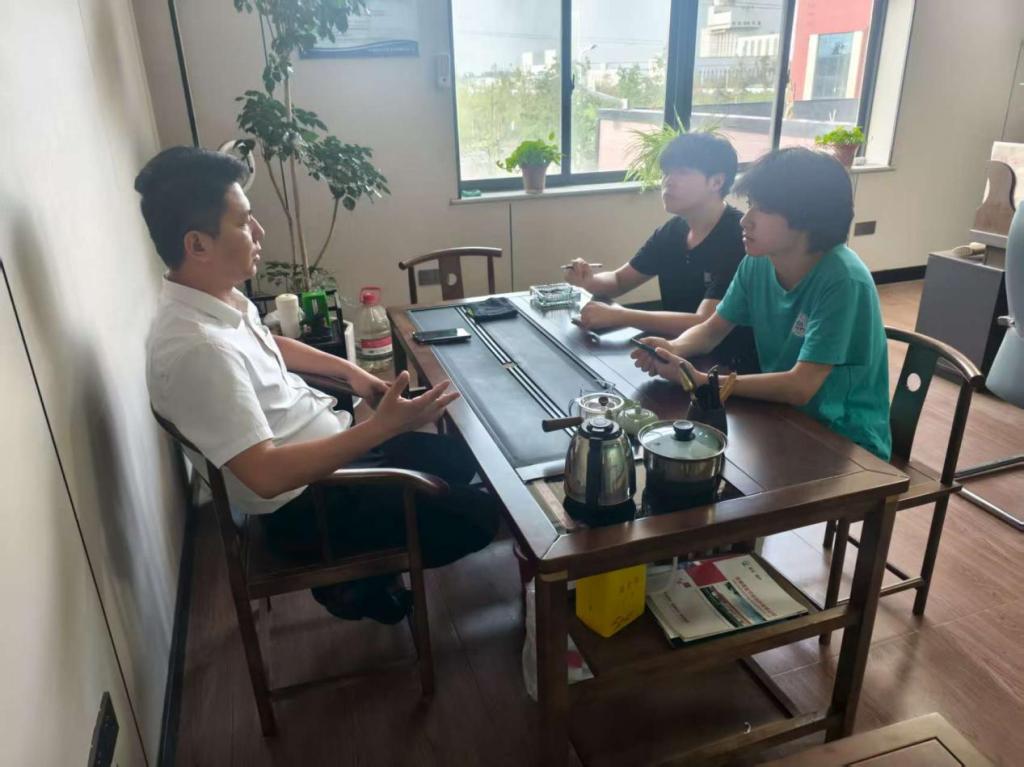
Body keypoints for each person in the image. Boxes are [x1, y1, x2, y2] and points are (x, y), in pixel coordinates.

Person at [139, 147, 498, 624]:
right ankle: (352, 583)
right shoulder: (197, 349)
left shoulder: (212, 299)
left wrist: (354, 373)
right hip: (310, 508)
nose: (259, 232)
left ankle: (368, 577)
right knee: (481, 516)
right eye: (244, 222)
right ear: (197, 245)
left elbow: (270, 344)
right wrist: (382, 428)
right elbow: (266, 476)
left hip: (333, 452)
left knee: (461, 459)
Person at [632, 147, 892, 461]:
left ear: (807, 218)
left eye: (763, 209)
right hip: (781, 414)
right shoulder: (758, 262)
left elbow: (800, 387)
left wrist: (702, 382)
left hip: (843, 439)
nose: (746, 220)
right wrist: (673, 348)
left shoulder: (843, 280)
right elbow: (712, 330)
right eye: (750, 205)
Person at [564, 131, 759, 373]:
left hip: (726, 366)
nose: (668, 181)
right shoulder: (673, 231)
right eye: (666, 172)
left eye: (682, 172)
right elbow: (619, 280)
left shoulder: (738, 237)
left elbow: (705, 323)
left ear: (716, 182)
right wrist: (588, 280)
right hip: (672, 353)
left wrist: (621, 316)